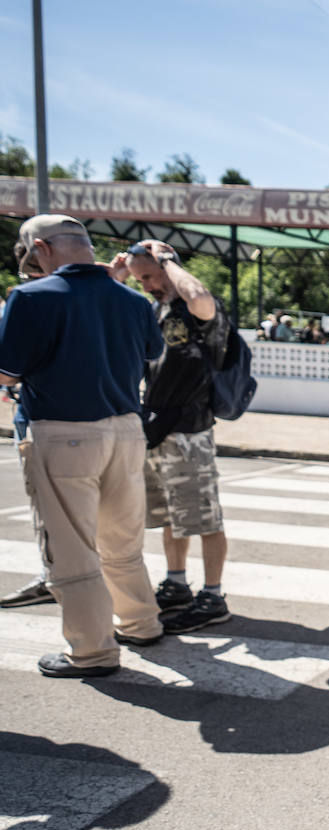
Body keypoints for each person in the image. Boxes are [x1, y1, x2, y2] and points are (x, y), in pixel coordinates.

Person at [0, 215, 165, 676]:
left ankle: (92, 651)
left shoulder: (29, 297)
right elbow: (151, 354)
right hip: (126, 430)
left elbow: (6, 371)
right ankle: (140, 622)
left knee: (72, 550)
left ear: (40, 248)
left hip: (63, 430)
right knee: (122, 541)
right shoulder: (132, 300)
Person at [114, 239, 233, 635]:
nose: (145, 284)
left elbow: (199, 296)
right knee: (169, 516)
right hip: (156, 427)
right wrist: (118, 276)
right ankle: (177, 582)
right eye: (138, 279)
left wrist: (166, 260)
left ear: (167, 266)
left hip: (190, 430)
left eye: (148, 276)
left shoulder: (196, 308)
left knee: (204, 517)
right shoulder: (155, 307)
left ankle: (213, 596)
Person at [1, 255, 57, 610]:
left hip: (42, 418)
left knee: (48, 509)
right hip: (80, 420)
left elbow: (7, 370)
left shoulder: (31, 301)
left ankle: (54, 577)